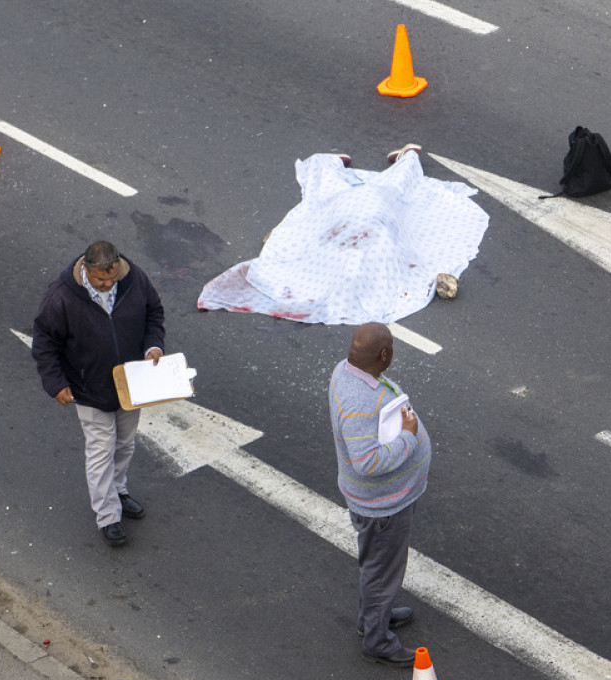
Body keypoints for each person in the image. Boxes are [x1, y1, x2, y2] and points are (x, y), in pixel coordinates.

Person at [197, 143, 489, 325]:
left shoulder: (343, 259)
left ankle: (390, 158)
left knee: (344, 190)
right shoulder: (375, 264)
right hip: (368, 213)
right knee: (393, 187)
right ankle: (405, 156)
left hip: (366, 214)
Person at [32, 241, 165, 546]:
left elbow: (153, 314)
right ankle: (108, 515)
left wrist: (153, 346)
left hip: (131, 384)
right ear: (86, 269)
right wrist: (55, 383)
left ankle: (119, 490)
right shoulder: (61, 296)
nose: (108, 284)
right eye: (101, 280)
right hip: (88, 388)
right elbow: (44, 342)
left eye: (112, 278)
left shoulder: (134, 280)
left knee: (125, 445)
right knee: (101, 450)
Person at [328, 322, 430, 667]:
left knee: (377, 567)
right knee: (381, 573)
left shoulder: (346, 370)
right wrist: (408, 437)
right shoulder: (360, 402)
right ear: (383, 354)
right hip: (382, 507)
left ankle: (372, 619)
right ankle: (377, 639)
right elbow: (366, 463)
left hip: (383, 502)